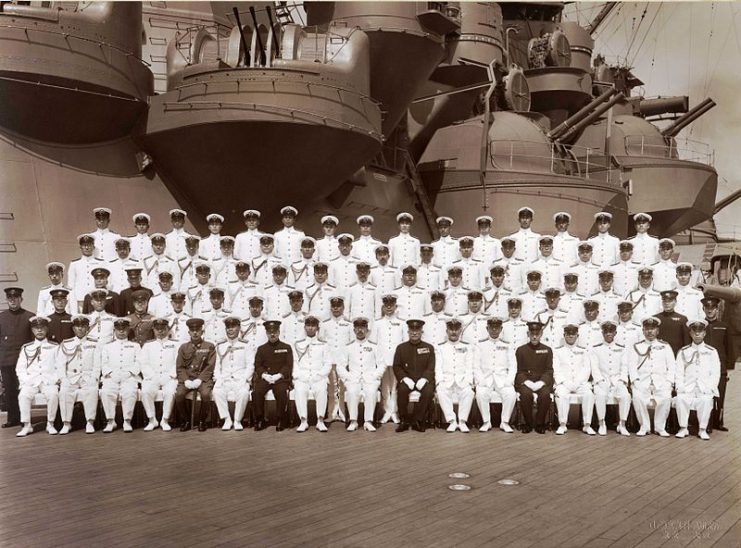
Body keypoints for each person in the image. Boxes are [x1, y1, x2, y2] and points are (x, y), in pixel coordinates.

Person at [623, 317, 676, 437]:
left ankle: (660, 427)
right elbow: (632, 366)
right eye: (647, 329)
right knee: (638, 397)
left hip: (661, 383)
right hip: (642, 382)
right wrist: (635, 382)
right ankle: (644, 426)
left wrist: (669, 383)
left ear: (657, 330)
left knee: (665, 398)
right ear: (643, 330)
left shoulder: (665, 346)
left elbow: (672, 367)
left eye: (653, 329)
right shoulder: (637, 346)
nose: (650, 332)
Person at [675, 319, 721, 440]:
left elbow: (715, 373)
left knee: (706, 400)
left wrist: (710, 388)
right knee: (681, 398)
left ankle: (702, 429)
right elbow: (679, 372)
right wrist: (680, 387)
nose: (697, 334)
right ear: (690, 333)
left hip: (704, 388)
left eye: (700, 331)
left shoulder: (711, 352)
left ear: (704, 333)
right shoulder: (684, 351)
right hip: (688, 387)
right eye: (694, 331)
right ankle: (683, 428)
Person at [14, 316, 60, 437]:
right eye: (36, 328)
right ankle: (27, 425)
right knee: (23, 395)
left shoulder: (55, 347)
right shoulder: (26, 348)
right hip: (31, 381)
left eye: (42, 328)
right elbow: (20, 368)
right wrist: (25, 381)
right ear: (32, 330)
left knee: (53, 394)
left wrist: (55, 380)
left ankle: (50, 424)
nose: (39, 330)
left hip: (48, 381)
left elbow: (59, 366)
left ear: (47, 329)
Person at [339, 317, 383, 431]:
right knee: (352, 392)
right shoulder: (348, 347)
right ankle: (353, 421)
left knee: (371, 392)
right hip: (353, 379)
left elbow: (382, 365)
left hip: (370, 379)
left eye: (363, 328)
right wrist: (348, 378)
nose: (360, 330)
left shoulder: (374, 346)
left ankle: (368, 421)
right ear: (354, 330)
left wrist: (374, 376)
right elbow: (340, 366)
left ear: (367, 330)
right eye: (357, 328)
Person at [553, 324, 598, 435]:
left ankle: (587, 425)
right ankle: (563, 424)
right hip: (564, 383)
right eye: (568, 334)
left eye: (573, 334)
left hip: (580, 383)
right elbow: (556, 369)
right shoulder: (558, 351)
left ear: (577, 335)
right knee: (561, 394)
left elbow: (586, 368)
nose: (571, 336)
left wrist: (578, 382)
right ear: (564, 335)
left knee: (589, 395)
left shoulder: (583, 351)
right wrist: (565, 382)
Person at [57, 315, 99, 434]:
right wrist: (63, 379)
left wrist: (94, 378)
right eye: (77, 326)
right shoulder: (66, 343)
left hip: (87, 376)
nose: (80, 329)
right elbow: (60, 365)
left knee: (92, 390)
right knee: (64, 391)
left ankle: (90, 422)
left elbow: (97, 364)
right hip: (71, 378)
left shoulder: (95, 343)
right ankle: (66, 423)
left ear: (87, 328)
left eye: (83, 326)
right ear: (73, 328)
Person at [475, 317, 517, 432]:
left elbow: (513, 365)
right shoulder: (480, 344)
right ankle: (486, 422)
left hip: (502, 379)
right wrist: (480, 380)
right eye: (491, 327)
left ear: (501, 329)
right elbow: (476, 365)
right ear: (487, 328)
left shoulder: (507, 345)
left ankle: (504, 422)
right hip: (486, 378)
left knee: (511, 394)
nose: (494, 330)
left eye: (497, 327)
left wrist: (509, 380)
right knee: (481, 393)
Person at [393, 319, 435, 432]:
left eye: (417, 330)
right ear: (408, 331)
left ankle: (418, 420)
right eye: (412, 330)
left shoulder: (429, 348)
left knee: (428, 392)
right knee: (402, 390)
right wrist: (404, 378)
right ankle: (404, 420)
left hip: (423, 380)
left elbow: (431, 367)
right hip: (408, 380)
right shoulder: (401, 348)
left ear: (422, 331)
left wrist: (425, 378)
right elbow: (396, 366)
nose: (415, 332)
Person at [174, 318, 216, 432]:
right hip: (188, 378)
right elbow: (180, 367)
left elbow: (210, 366)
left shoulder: (209, 346)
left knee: (206, 394)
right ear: (189, 333)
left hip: (203, 379)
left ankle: (202, 420)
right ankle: (186, 420)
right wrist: (186, 380)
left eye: (197, 330)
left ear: (202, 332)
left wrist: (200, 379)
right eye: (192, 330)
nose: (195, 333)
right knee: (179, 395)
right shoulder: (183, 347)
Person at [99, 318, 141, 433]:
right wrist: (111, 374)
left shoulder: (135, 346)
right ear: (114, 330)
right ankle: (110, 421)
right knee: (107, 392)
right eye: (118, 329)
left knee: (130, 392)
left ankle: (127, 421)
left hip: (129, 376)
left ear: (128, 330)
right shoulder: (107, 347)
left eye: (124, 329)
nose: (121, 331)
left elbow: (138, 362)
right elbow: (104, 363)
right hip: (112, 376)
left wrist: (129, 373)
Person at [0, 287, 34, 428]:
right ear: (7, 299)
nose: (13, 300)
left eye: (16, 298)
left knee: (23, 390)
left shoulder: (30, 316)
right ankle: (12, 418)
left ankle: (23, 418)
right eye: (10, 298)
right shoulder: (1, 317)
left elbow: (33, 342)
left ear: (21, 299)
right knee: (9, 390)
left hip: (23, 362)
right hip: (6, 360)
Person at [213, 316, 254, 431]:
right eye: (228, 327)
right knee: (217, 391)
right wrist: (218, 378)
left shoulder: (246, 344)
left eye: (233, 327)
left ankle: (237, 420)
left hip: (240, 379)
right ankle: (227, 419)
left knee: (243, 392)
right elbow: (217, 365)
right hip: (224, 379)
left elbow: (250, 365)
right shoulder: (220, 345)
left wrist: (245, 379)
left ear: (239, 328)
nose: (230, 330)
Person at [435, 318, 476, 433]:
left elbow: (469, 367)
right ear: (446, 331)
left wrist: (468, 381)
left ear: (460, 330)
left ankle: (462, 421)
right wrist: (439, 381)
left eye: (456, 329)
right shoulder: (440, 347)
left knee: (469, 392)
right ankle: (452, 421)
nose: (453, 332)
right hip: (446, 380)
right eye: (451, 329)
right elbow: (438, 367)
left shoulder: (467, 347)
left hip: (461, 380)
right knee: (441, 390)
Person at [292, 316, 332, 432]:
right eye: (308, 325)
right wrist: (298, 376)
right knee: (299, 389)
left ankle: (320, 420)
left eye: (313, 326)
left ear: (317, 328)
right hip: (303, 375)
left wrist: (320, 375)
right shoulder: (298, 344)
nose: (310, 328)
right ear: (304, 327)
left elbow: (327, 363)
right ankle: (303, 421)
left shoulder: (323, 344)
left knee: (321, 389)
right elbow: (294, 362)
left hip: (318, 375)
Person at [591, 321, 631, 436]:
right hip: (602, 380)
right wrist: (600, 381)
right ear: (602, 333)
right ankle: (602, 423)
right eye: (606, 332)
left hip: (617, 380)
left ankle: (622, 424)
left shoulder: (621, 348)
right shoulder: (596, 348)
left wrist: (622, 381)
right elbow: (595, 367)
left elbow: (624, 366)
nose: (608, 334)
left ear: (615, 333)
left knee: (625, 396)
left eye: (611, 331)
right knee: (600, 395)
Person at [138, 317, 179, 431]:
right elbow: (143, 363)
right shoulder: (148, 345)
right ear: (153, 330)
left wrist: (171, 375)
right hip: (152, 376)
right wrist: (151, 376)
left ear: (167, 329)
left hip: (169, 376)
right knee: (145, 392)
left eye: (163, 328)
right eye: (157, 329)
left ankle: (165, 420)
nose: (160, 331)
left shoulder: (175, 344)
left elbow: (177, 362)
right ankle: (152, 420)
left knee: (170, 392)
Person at [252, 320, 293, 431]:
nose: (272, 334)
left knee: (281, 391)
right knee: (257, 392)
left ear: (279, 332)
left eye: (275, 332)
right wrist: (264, 375)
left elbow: (288, 365)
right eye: (270, 333)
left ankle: (280, 419)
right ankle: (260, 419)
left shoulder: (286, 347)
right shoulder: (261, 349)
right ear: (266, 334)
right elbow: (257, 365)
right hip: (266, 378)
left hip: (280, 379)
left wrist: (279, 375)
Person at [514, 321, 554, 434]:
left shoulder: (547, 350)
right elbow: (519, 370)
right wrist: (527, 382)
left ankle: (540, 424)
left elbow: (549, 370)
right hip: (526, 382)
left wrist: (541, 382)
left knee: (545, 395)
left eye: (537, 333)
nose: (534, 336)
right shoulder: (521, 350)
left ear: (541, 333)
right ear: (528, 334)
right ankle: (528, 423)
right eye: (532, 334)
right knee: (525, 395)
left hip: (541, 382)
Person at [371, 294, 405, 424]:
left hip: (396, 360)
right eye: (386, 305)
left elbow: (403, 343)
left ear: (395, 306)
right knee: (385, 387)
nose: (389, 307)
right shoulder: (378, 323)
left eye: (391, 305)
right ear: (383, 307)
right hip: (382, 360)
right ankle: (386, 412)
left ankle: (394, 412)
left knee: (395, 387)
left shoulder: (401, 323)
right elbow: (374, 343)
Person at [701, 296, 733, 431]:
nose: (710, 311)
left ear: (716, 309)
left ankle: (718, 422)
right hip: (704, 367)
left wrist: (728, 368)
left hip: (720, 368)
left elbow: (729, 348)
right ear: (703, 309)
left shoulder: (724, 326)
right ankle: (706, 422)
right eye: (707, 308)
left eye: (712, 308)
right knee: (706, 396)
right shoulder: (700, 326)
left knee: (720, 395)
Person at [68, 234, 106, 312]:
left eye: (89, 245)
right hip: (80, 299)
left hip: (96, 299)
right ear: (80, 247)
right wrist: (73, 304)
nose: (87, 247)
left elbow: (106, 282)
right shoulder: (74, 264)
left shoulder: (101, 263)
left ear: (93, 247)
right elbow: (71, 286)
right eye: (84, 245)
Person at [654, 290, 690, 355]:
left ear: (675, 302)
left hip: (677, 354)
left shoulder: (682, 319)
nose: (667, 303)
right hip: (659, 354)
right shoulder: (656, 318)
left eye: (670, 301)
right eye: (664, 301)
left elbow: (687, 341)